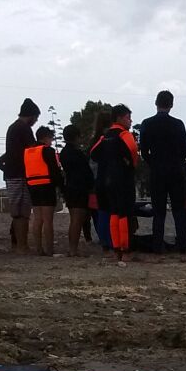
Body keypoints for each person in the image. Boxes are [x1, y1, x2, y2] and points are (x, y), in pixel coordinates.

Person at [139, 90, 186, 257]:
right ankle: (182, 244)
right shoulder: (178, 124)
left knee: (159, 210)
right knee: (178, 209)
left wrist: (152, 162)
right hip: (175, 170)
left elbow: (143, 150)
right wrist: (178, 162)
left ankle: (157, 245)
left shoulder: (147, 123)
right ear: (171, 104)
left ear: (156, 103)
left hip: (157, 171)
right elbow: (184, 149)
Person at [90, 104, 139, 266]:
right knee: (124, 215)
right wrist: (128, 164)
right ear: (119, 118)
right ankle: (126, 251)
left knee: (113, 214)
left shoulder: (105, 137)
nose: (130, 121)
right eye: (128, 117)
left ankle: (115, 249)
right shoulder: (125, 135)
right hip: (123, 180)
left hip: (107, 181)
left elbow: (93, 154)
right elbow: (133, 155)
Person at [3, 98, 41, 254]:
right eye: (36, 117)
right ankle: (22, 246)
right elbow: (33, 149)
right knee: (22, 212)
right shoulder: (24, 129)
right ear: (31, 115)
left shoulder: (13, 127)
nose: (36, 121)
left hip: (11, 174)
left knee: (17, 211)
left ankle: (18, 244)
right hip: (20, 174)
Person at [23, 125, 64, 256]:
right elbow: (55, 170)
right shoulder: (48, 150)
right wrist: (61, 186)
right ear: (46, 138)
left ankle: (38, 248)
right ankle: (50, 249)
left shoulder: (27, 151)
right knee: (48, 220)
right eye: (51, 138)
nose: (51, 141)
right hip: (46, 185)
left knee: (37, 218)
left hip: (32, 186)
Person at [59, 124, 94, 257]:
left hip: (70, 187)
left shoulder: (64, 153)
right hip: (79, 188)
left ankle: (73, 248)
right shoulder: (77, 153)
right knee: (77, 220)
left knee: (75, 219)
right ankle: (73, 249)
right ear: (76, 137)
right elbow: (86, 171)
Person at [88, 110, 114, 256]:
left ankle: (104, 241)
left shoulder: (95, 139)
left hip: (98, 181)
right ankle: (111, 241)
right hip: (110, 179)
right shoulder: (111, 137)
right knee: (111, 212)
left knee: (102, 213)